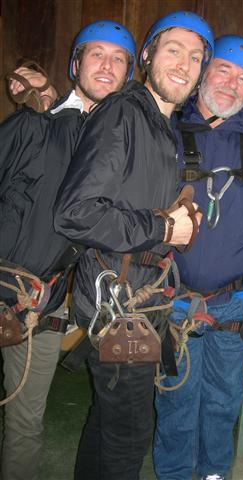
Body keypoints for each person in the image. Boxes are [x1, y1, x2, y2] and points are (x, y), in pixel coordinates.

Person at [53, 11, 214, 480]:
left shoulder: (162, 125)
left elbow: (130, 200)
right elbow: (76, 212)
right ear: (147, 57)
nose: (184, 65)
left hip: (137, 294)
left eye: (195, 57)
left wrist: (177, 218)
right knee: (128, 437)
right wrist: (164, 230)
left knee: (108, 422)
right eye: (173, 51)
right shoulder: (124, 112)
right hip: (117, 298)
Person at [0, 20, 136, 480]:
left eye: (118, 58)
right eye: (96, 54)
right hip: (8, 284)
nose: (107, 65)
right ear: (76, 63)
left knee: (24, 422)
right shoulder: (33, 124)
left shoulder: (118, 143)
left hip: (44, 305)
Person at [152, 35, 243, 480]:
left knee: (224, 394)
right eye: (224, 71)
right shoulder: (165, 127)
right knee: (175, 393)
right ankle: (174, 473)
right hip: (173, 294)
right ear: (203, 73)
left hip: (235, 299)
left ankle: (214, 471)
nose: (232, 85)